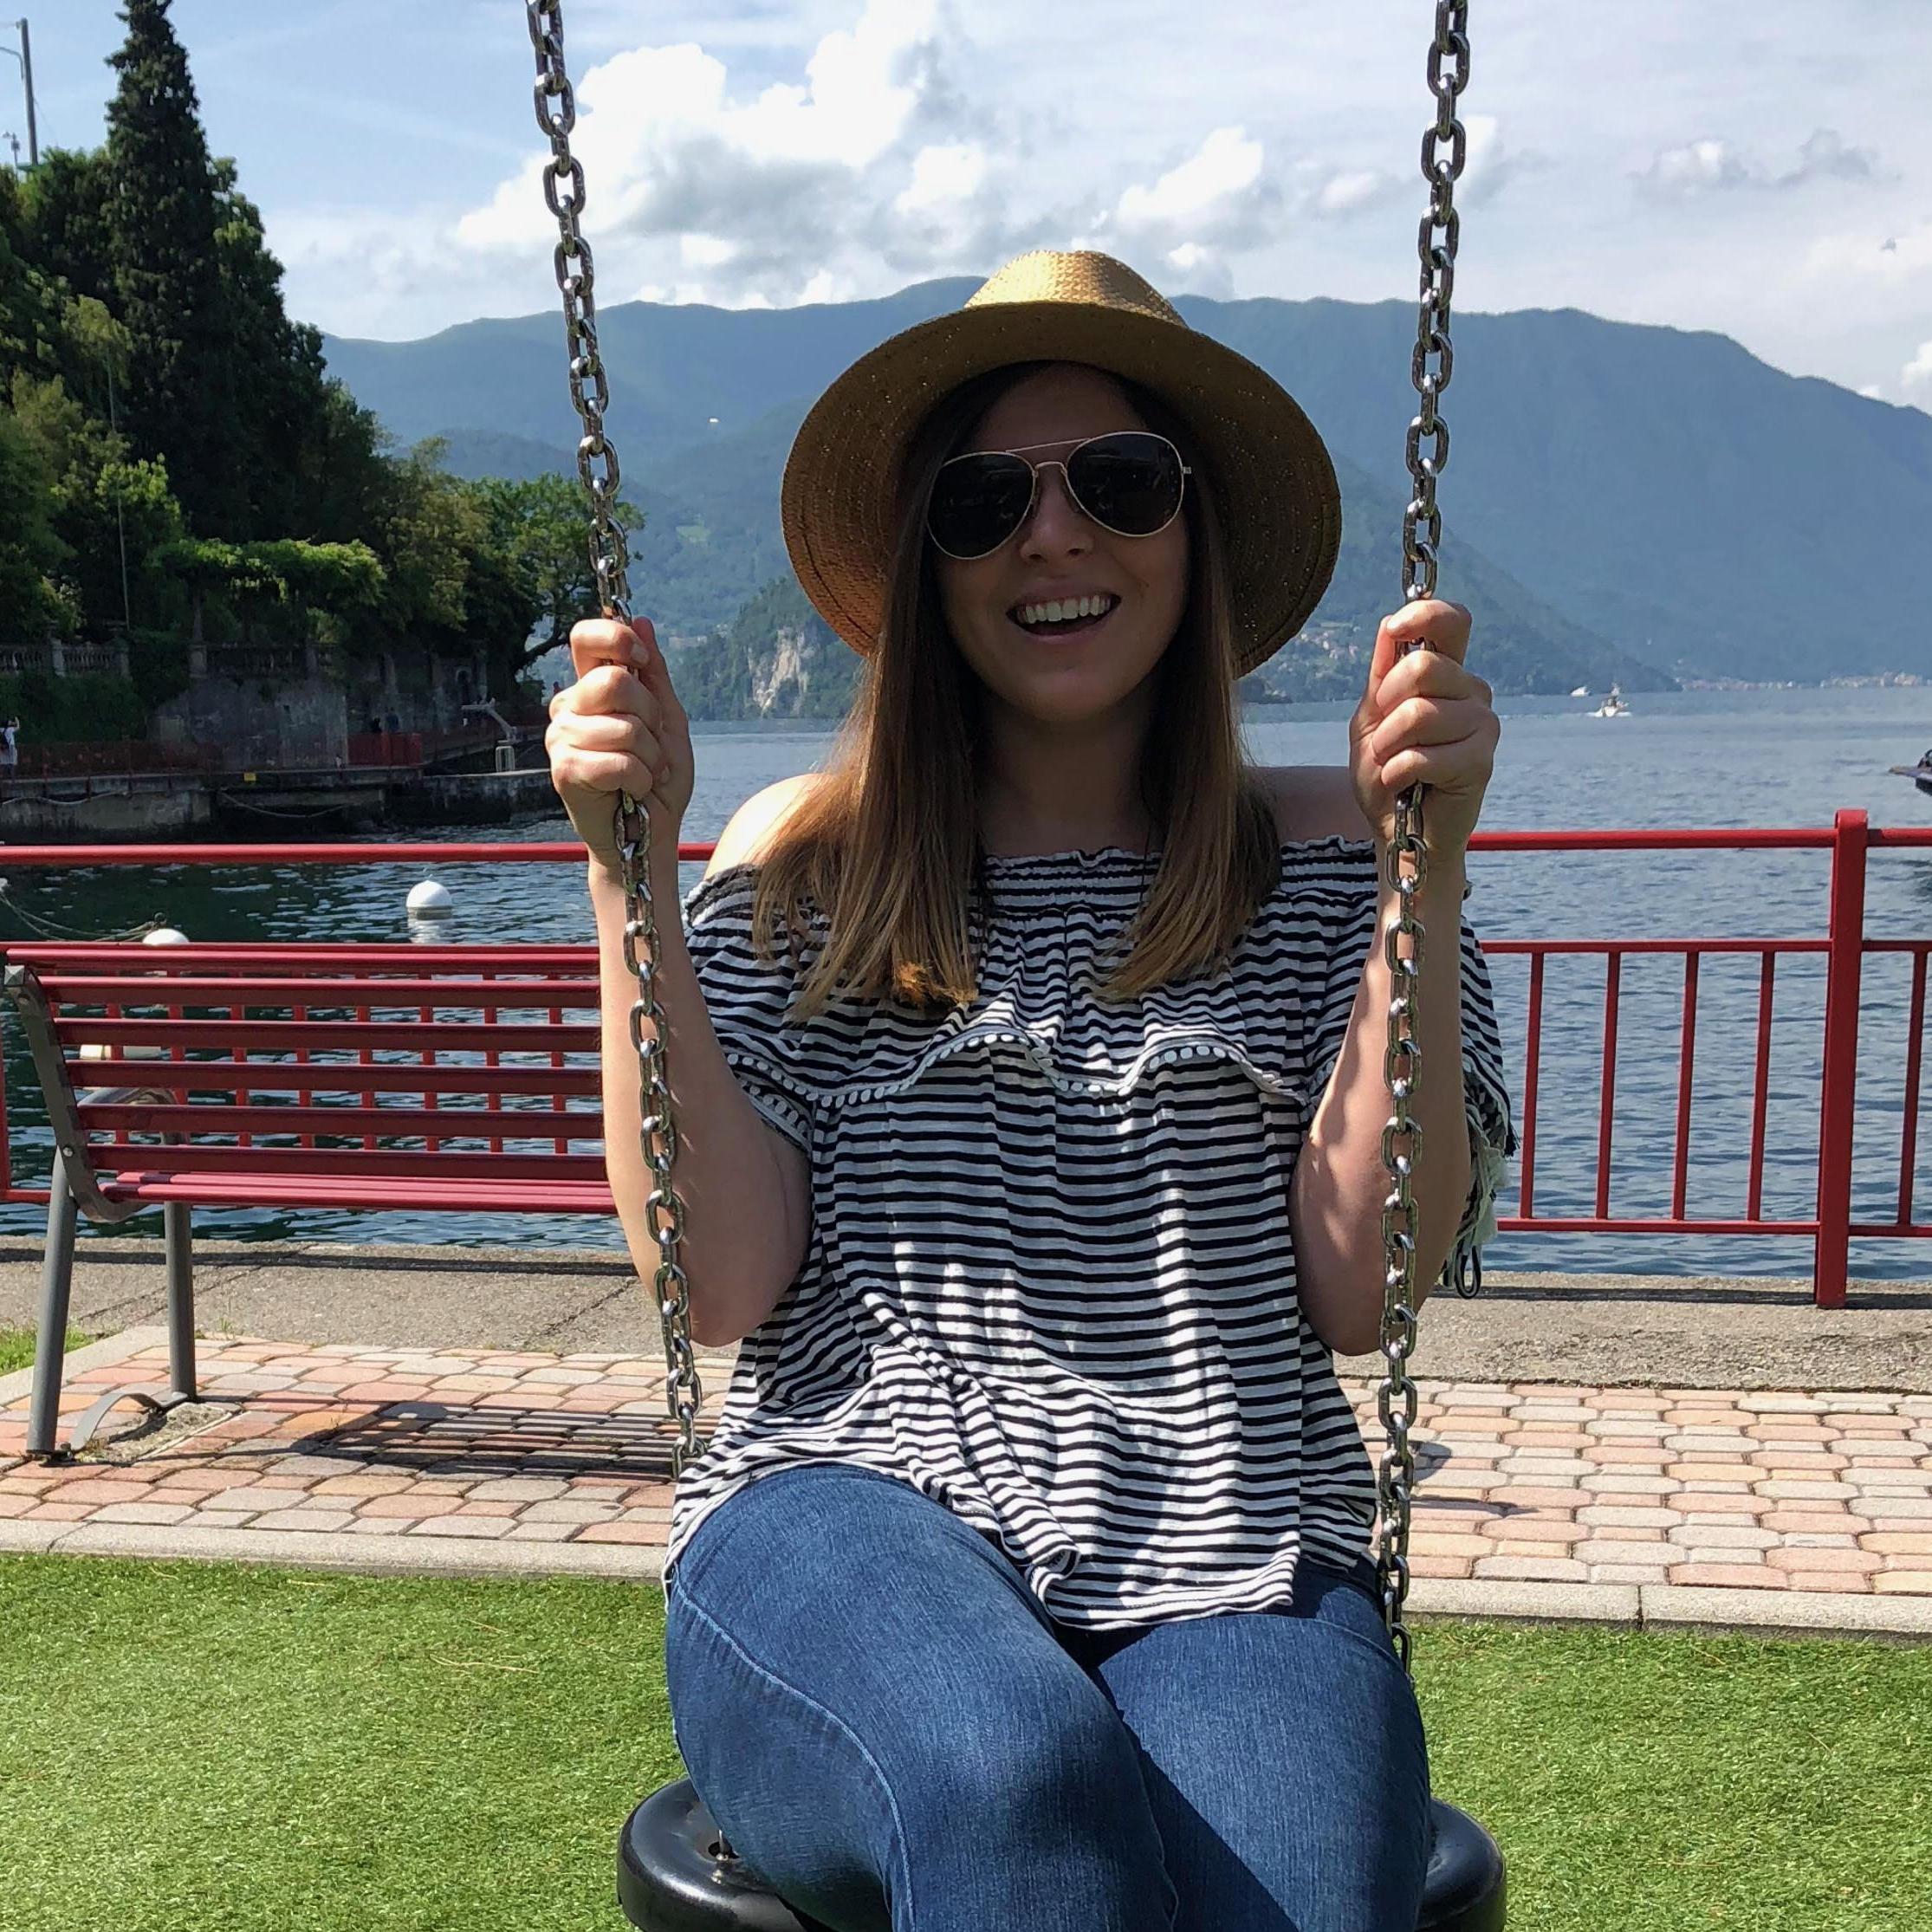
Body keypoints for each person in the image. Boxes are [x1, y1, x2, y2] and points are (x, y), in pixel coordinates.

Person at [548, 250, 1513, 1932]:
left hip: (1236, 1532)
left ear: (1194, 530)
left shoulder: (1344, 856)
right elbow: (718, 1281)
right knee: (1011, 1776)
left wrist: (1417, 888)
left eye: (1117, 482)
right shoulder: (807, 864)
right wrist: (626, 873)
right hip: (841, 1502)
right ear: (928, 562)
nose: (1052, 537)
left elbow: (1363, 1291)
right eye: (984, 501)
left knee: (1293, 1896)